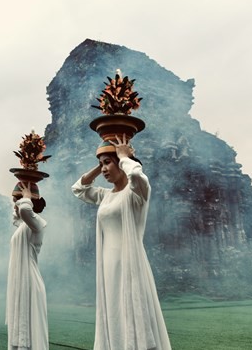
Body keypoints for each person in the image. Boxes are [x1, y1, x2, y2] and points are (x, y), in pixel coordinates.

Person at [72, 135, 171, 350]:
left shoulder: (138, 193)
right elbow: (78, 189)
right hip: (108, 265)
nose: (104, 169)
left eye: (108, 163)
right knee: (114, 313)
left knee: (131, 311)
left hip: (129, 262)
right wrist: (101, 163)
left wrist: (124, 156)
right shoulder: (106, 195)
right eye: (102, 165)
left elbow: (136, 174)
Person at [6, 181, 49, 350]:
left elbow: (24, 210)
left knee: (30, 327)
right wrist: (20, 198)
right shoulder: (23, 225)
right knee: (18, 323)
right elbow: (18, 214)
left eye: (18, 200)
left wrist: (26, 197)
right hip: (18, 280)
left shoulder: (38, 224)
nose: (15, 204)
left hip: (29, 280)